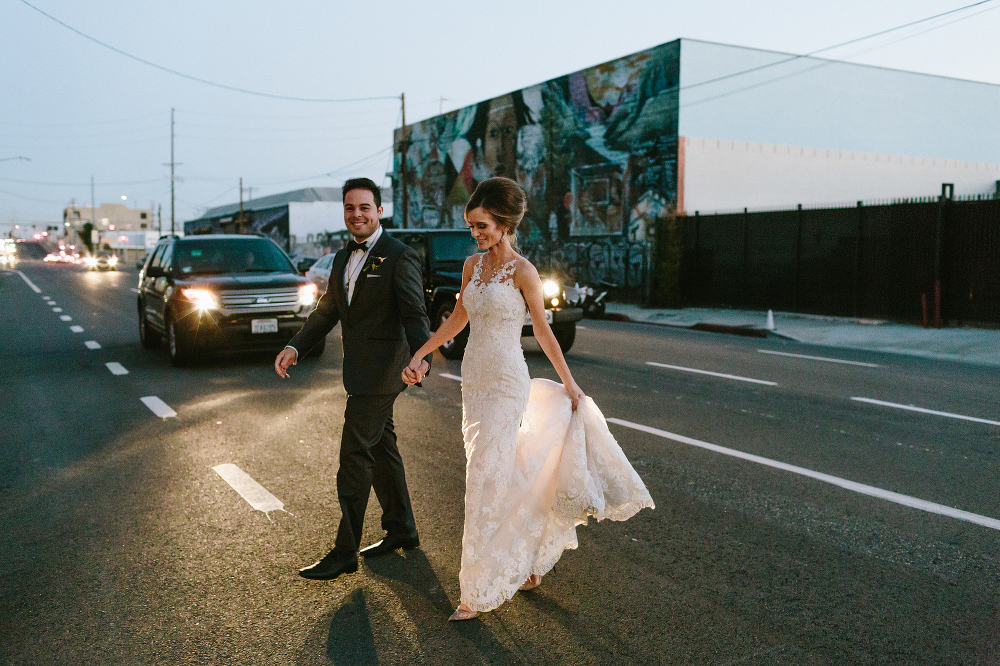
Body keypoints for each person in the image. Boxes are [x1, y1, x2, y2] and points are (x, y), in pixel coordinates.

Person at [402, 177, 654, 620]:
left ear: (503, 223)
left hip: (506, 383)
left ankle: (475, 592)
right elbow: (458, 319)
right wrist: (422, 351)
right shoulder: (470, 267)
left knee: (483, 476)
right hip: (474, 382)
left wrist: (571, 384)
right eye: (472, 227)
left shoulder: (524, 272)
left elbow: (542, 331)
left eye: (482, 226)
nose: (475, 234)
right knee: (502, 471)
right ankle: (532, 557)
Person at [275, 177, 432, 581]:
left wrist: (422, 357)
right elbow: (327, 311)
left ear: (380, 210)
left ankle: (344, 551)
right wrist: (296, 346)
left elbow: (415, 313)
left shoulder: (400, 256)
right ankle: (402, 529)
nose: (356, 214)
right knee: (381, 449)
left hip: (383, 372)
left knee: (353, 458)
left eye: (364, 207)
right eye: (349, 208)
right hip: (358, 370)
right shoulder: (343, 258)